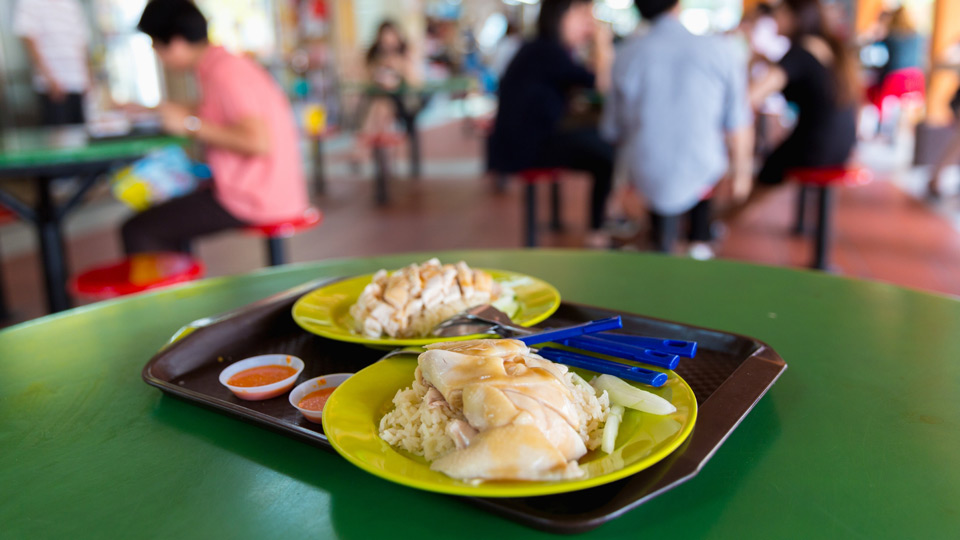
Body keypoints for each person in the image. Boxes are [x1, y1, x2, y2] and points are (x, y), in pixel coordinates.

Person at [121, 0, 308, 254]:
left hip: (257, 196)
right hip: (271, 188)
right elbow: (215, 112)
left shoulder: (224, 73)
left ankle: (171, 293)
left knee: (139, 228)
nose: (157, 55)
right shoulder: (222, 65)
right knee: (169, 208)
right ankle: (182, 288)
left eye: (156, 46)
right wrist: (153, 110)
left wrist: (189, 125)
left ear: (175, 43)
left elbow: (257, 142)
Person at [602, 0, 753, 256]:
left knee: (651, 178)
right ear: (677, 5)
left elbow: (613, 130)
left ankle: (657, 246)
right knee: (704, 171)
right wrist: (741, 172)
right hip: (705, 172)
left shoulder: (627, 53)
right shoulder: (719, 49)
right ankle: (699, 244)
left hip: (645, 173)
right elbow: (738, 122)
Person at [488, 0, 614, 246]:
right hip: (525, 149)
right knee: (606, 155)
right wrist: (602, 43)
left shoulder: (541, 48)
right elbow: (601, 84)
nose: (589, 24)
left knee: (597, 140)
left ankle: (604, 222)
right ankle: (597, 233)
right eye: (582, 16)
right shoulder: (548, 51)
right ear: (560, 17)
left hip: (524, 142)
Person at [738, 0, 859, 208]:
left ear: (797, 18)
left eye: (780, 13)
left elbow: (751, 95)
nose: (775, 19)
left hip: (817, 147)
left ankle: (716, 224)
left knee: (766, 173)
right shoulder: (824, 46)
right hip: (843, 144)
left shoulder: (799, 51)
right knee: (772, 162)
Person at [13, 0, 93, 125]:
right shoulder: (30, 2)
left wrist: (88, 78)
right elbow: (28, 38)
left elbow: (82, 43)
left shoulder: (71, 4)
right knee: (60, 137)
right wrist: (49, 79)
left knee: (81, 134)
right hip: (53, 86)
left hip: (78, 82)